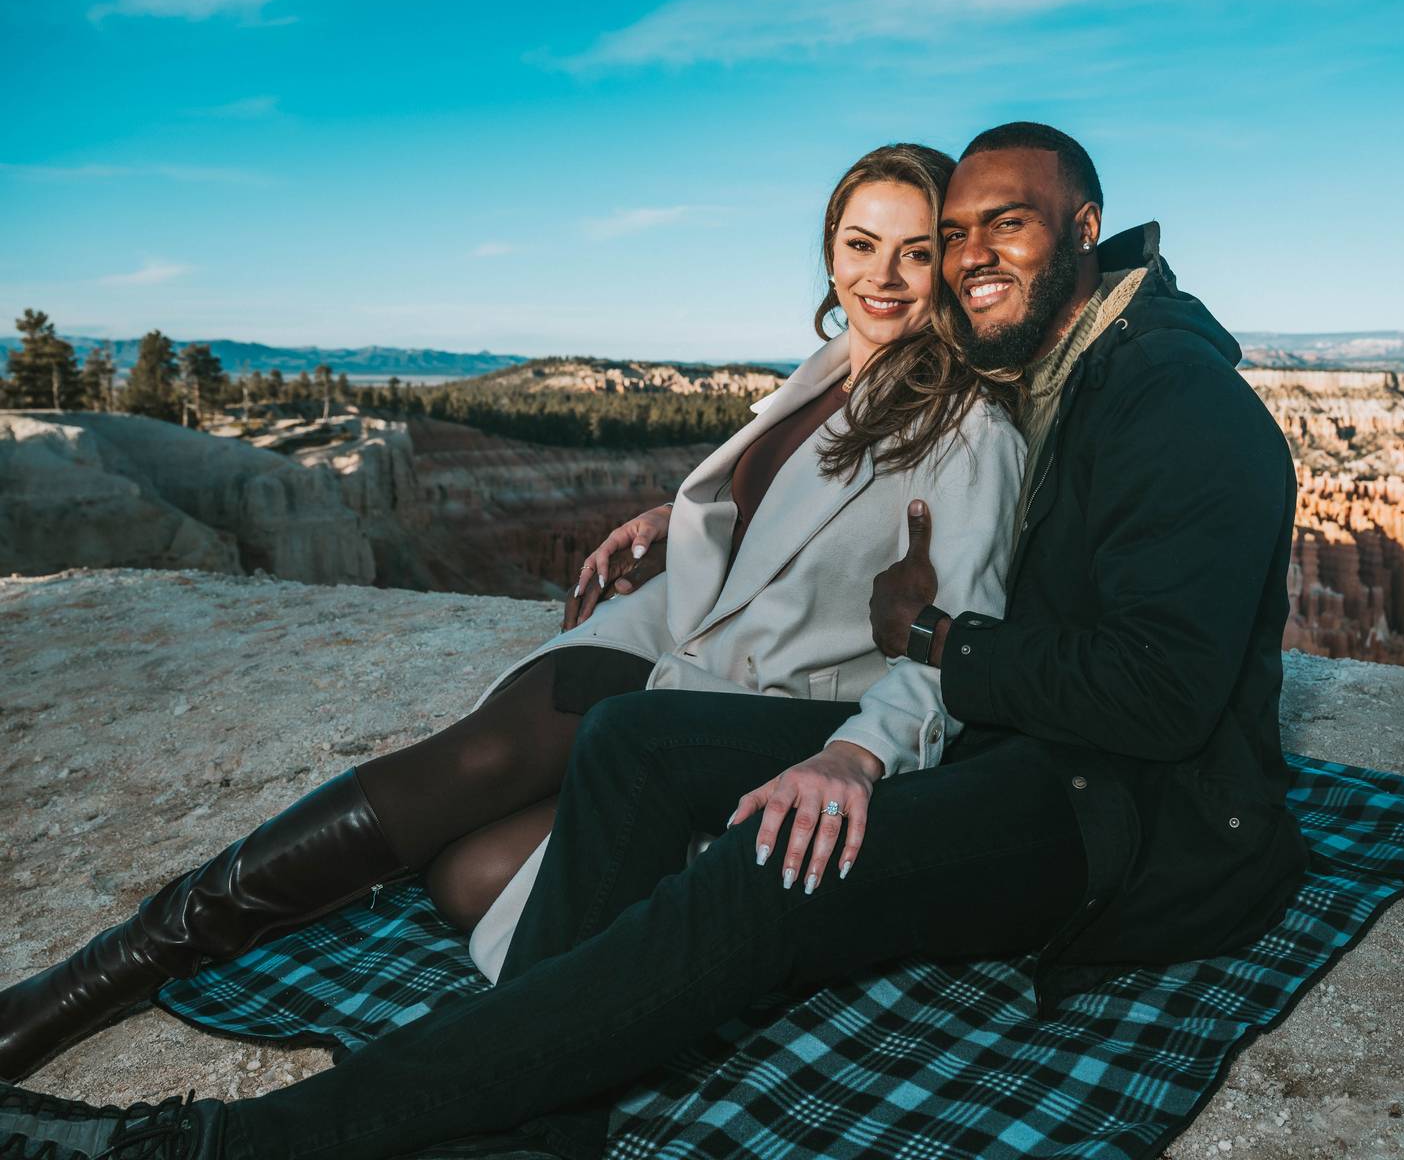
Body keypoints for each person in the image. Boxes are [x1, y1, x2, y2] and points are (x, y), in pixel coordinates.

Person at [0, 123, 1310, 1160]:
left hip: (1116, 820)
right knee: (613, 740)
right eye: (931, 233)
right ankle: (539, 1125)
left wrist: (900, 702)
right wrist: (681, 519)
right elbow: (828, 484)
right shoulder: (1047, 356)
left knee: (749, 878)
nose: (947, 262)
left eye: (988, 229)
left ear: (1085, 226)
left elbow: (1150, 698)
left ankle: (222, 1145)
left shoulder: (1168, 400)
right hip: (1029, 748)